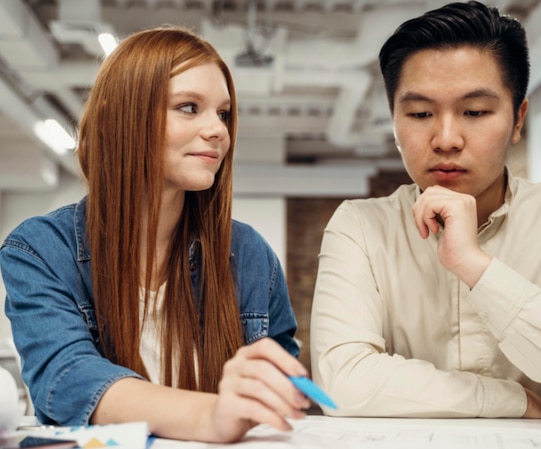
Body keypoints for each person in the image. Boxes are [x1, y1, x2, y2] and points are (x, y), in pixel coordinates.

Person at [310, 1, 541, 425]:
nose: (445, 138)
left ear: (518, 119)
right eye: (420, 113)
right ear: (394, 122)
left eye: (475, 112)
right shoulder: (360, 227)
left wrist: (477, 268)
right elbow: (340, 383)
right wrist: (509, 400)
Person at [0, 26, 311, 443]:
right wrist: (213, 415)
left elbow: (284, 392)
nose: (219, 131)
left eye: (223, 113)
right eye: (188, 107)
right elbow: (67, 378)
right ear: (118, 117)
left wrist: (277, 391)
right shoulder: (40, 250)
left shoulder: (249, 254)